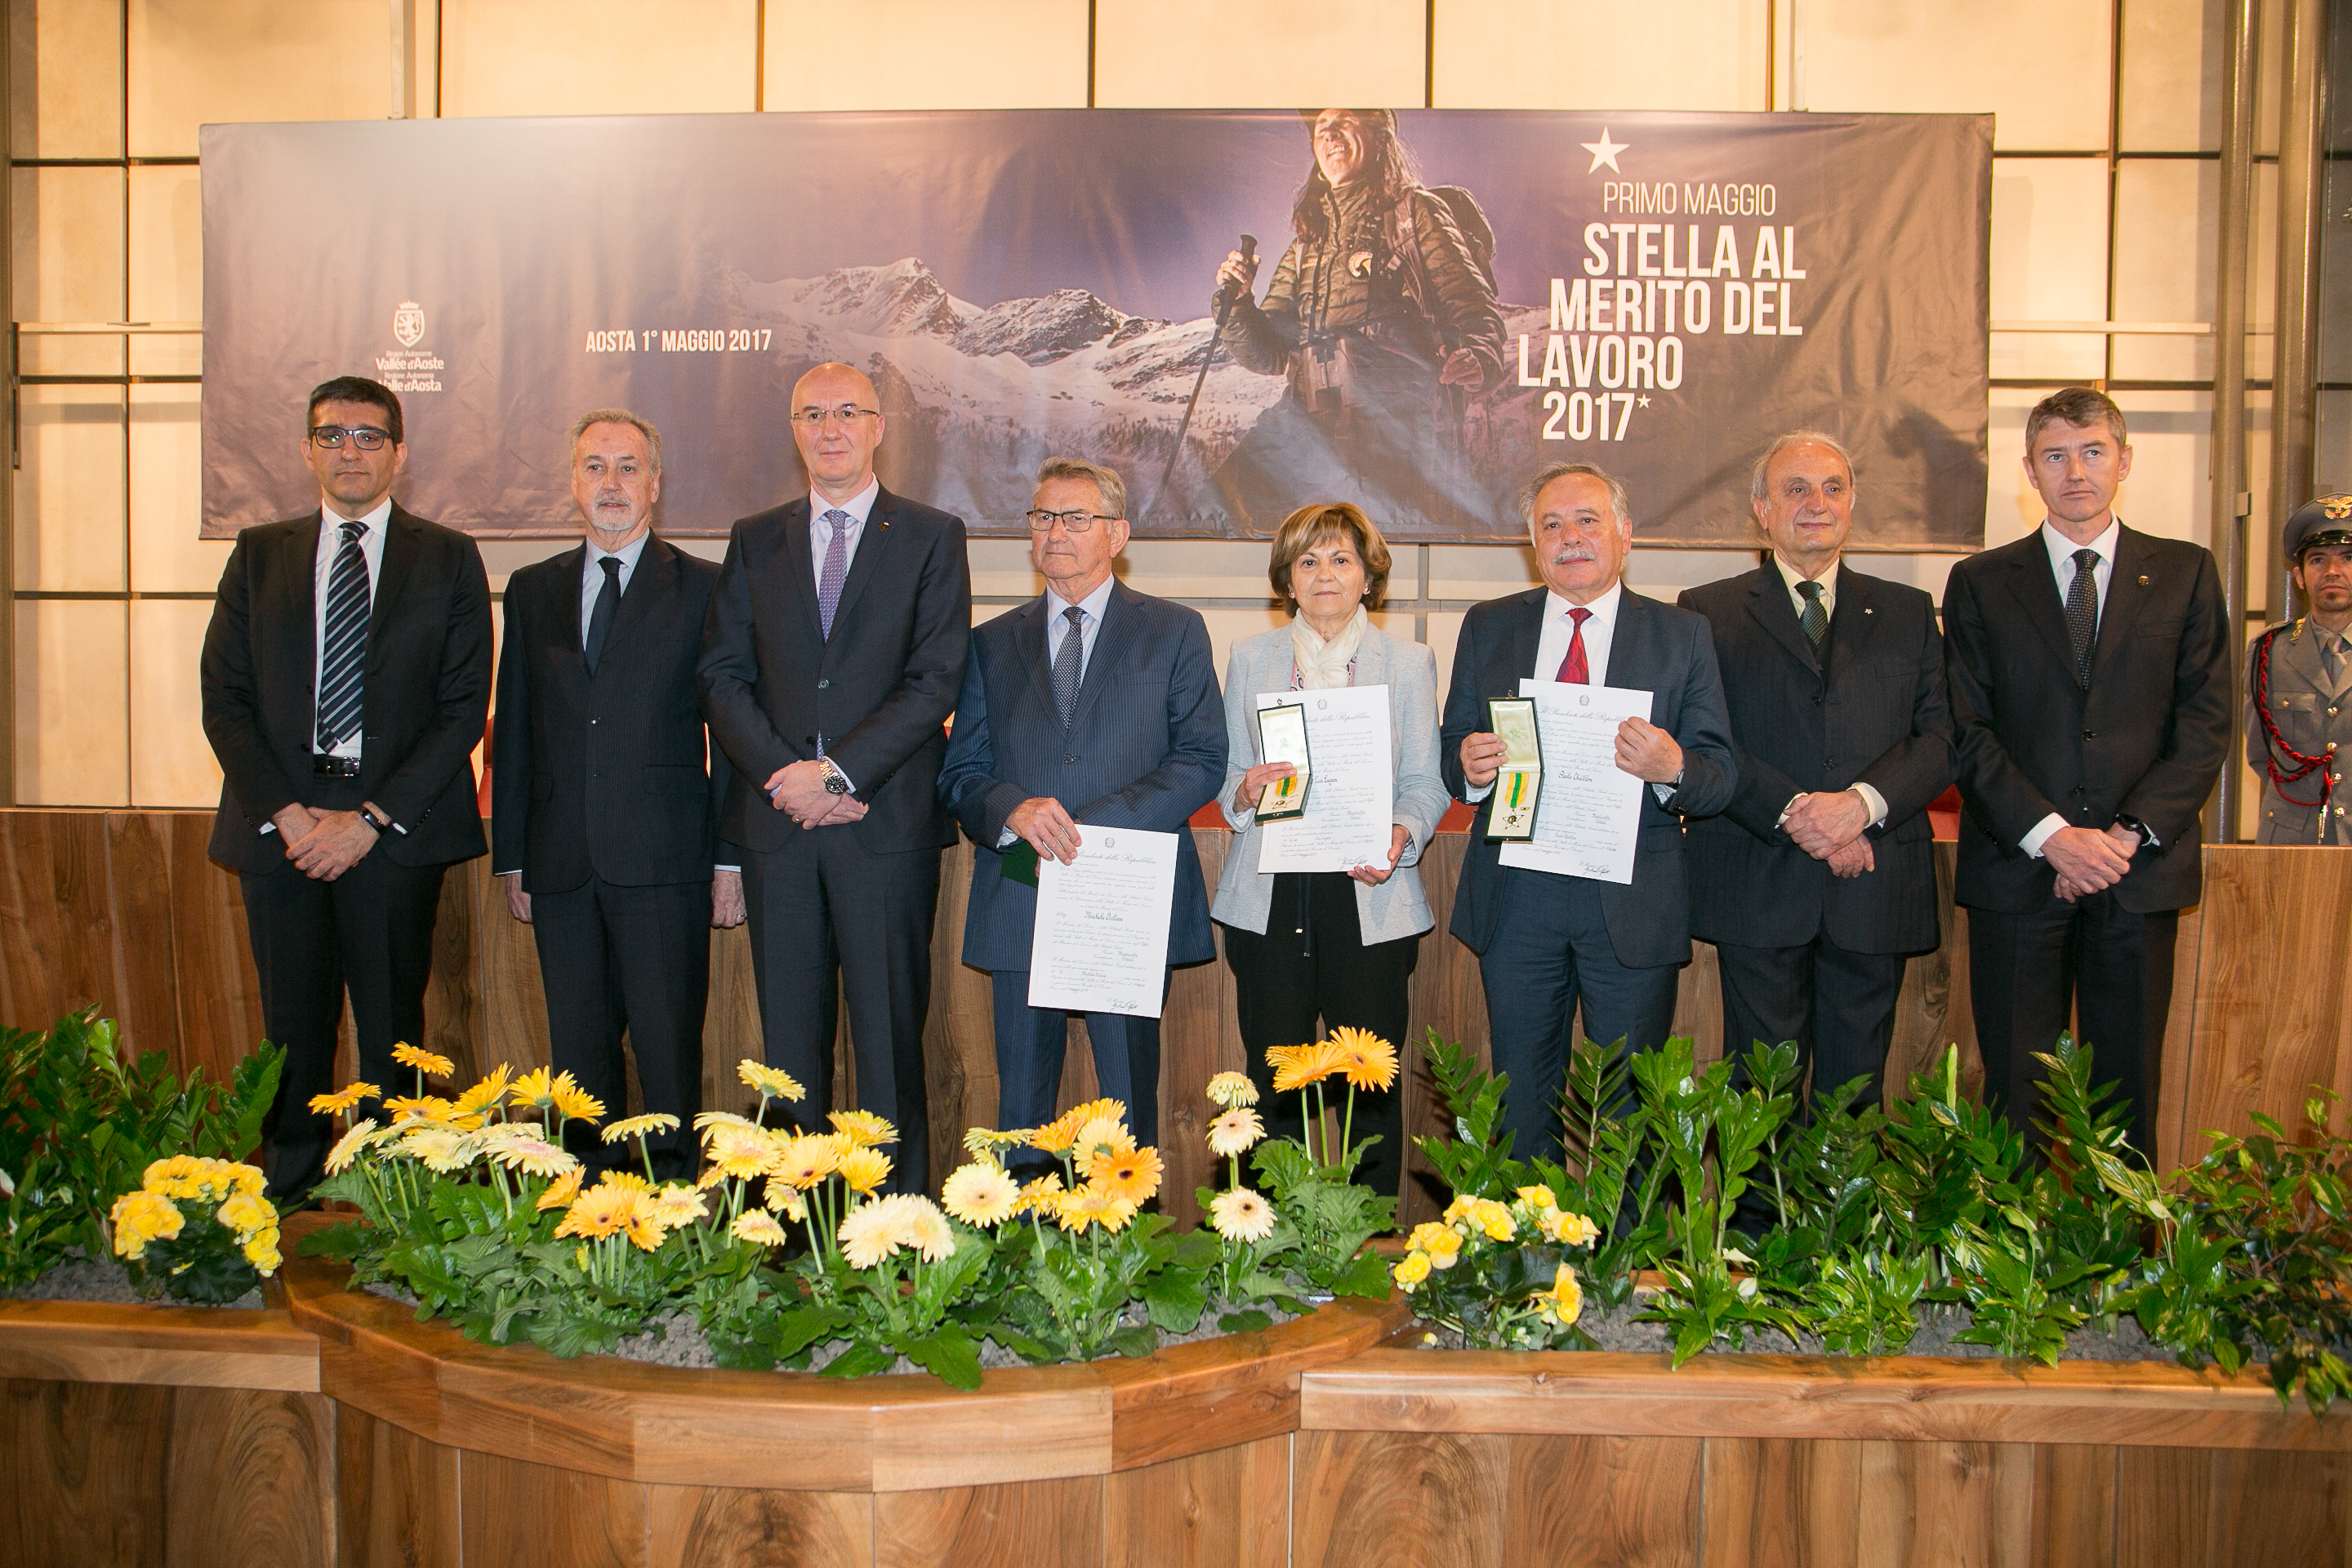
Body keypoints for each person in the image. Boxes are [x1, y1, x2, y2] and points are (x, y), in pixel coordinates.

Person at [199, 375, 492, 1201]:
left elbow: (463, 707)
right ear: (307, 450)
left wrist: (368, 820)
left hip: (391, 834)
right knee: (291, 1027)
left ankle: (394, 1193)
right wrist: (292, 819)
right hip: (281, 833)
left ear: (400, 452)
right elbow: (224, 697)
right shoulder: (259, 554)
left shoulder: (448, 557)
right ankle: (289, 1190)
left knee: (395, 1028)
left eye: (368, 436)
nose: (350, 451)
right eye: (332, 435)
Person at [699, 363, 969, 1193]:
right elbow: (722, 677)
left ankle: (896, 1232)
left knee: (888, 1051)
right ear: (794, 431)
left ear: (879, 427)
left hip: (882, 830)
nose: (830, 428)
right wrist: (788, 779)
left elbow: (935, 680)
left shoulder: (932, 535)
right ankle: (794, 1231)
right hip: (779, 829)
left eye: (848, 412)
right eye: (811, 414)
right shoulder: (755, 538)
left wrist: (839, 776)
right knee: (788, 1060)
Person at [1942, 386, 2232, 1156]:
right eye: (2056, 456)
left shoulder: (2186, 573)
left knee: (2129, 1096)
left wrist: (2124, 838)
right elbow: (1965, 729)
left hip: (2138, 876)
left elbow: (2206, 724)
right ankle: (2016, 1239)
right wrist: (2055, 838)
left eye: (2093, 451)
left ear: (2124, 461)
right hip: (2019, 873)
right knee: (2015, 1096)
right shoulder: (1980, 582)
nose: (2076, 472)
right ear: (2029, 471)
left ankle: (2126, 1239)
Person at [1440, 461, 1737, 1162]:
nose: (1569, 537)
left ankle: (1624, 1238)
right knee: (1520, 1103)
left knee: (1630, 1113)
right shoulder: (1488, 626)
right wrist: (1470, 768)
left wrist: (1673, 768)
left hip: (1630, 902)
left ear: (1625, 535)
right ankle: (1529, 1234)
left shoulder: (1682, 635)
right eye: (1551, 525)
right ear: (1533, 544)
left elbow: (1718, 776)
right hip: (1518, 897)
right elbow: (1453, 747)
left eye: (1587, 521)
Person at [937, 457, 1225, 1165]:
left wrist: (1093, 827)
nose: (1055, 532)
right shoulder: (989, 642)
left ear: (1116, 534)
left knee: (1127, 1106)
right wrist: (1012, 808)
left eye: (1075, 518)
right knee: (1020, 1115)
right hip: (1020, 888)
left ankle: (1129, 1237)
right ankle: (1022, 1236)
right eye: (1042, 517)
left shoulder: (1174, 630)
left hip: (1123, 893)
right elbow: (961, 772)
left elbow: (1201, 758)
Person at [491, 410, 743, 1180]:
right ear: (573, 483)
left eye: (628, 467)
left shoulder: (705, 588)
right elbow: (516, 731)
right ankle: (587, 1206)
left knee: (668, 1056)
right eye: (595, 467)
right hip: (560, 866)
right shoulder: (532, 590)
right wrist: (513, 858)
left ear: (656, 485)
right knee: (576, 1064)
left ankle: (671, 1210)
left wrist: (729, 860)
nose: (611, 483)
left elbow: (733, 735)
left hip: (666, 864)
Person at [1679, 433, 1953, 1110]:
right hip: (1759, 881)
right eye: (1796, 489)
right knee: (1760, 1100)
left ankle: (1842, 1192)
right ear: (1762, 509)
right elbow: (1707, 739)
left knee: (1855, 1101)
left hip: (1874, 885)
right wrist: (1801, 814)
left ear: (1851, 503)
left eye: (1833, 488)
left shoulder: (1909, 611)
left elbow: (1943, 738)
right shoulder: (1707, 611)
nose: (1817, 504)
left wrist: (1858, 807)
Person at [1210, 502, 1448, 1198]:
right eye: (1307, 561)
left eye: (1341, 559)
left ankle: (1366, 1242)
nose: (1324, 574)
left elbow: (1425, 783)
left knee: (1369, 1088)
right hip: (1272, 896)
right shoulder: (1250, 658)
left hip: (1367, 891)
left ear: (1368, 577)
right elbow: (1229, 777)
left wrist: (1401, 832)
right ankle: (1273, 1238)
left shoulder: (1408, 663)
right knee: (1273, 1084)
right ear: (1286, 578)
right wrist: (1246, 791)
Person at [1209, 108, 1506, 533]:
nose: (1330, 133)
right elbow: (1269, 354)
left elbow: (1472, 305)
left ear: (1378, 135)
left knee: (1372, 546)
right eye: (1321, 127)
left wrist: (1479, 354)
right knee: (1219, 507)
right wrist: (1238, 304)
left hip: (1391, 422)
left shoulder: (1415, 214)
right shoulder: (1307, 243)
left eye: (1344, 121)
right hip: (1305, 417)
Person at [2245, 495, 2352, 844]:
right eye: (2318, 560)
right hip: (2293, 840)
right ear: (2300, 577)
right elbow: (2260, 753)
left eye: (2348, 558)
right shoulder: (2268, 650)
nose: (2332, 571)